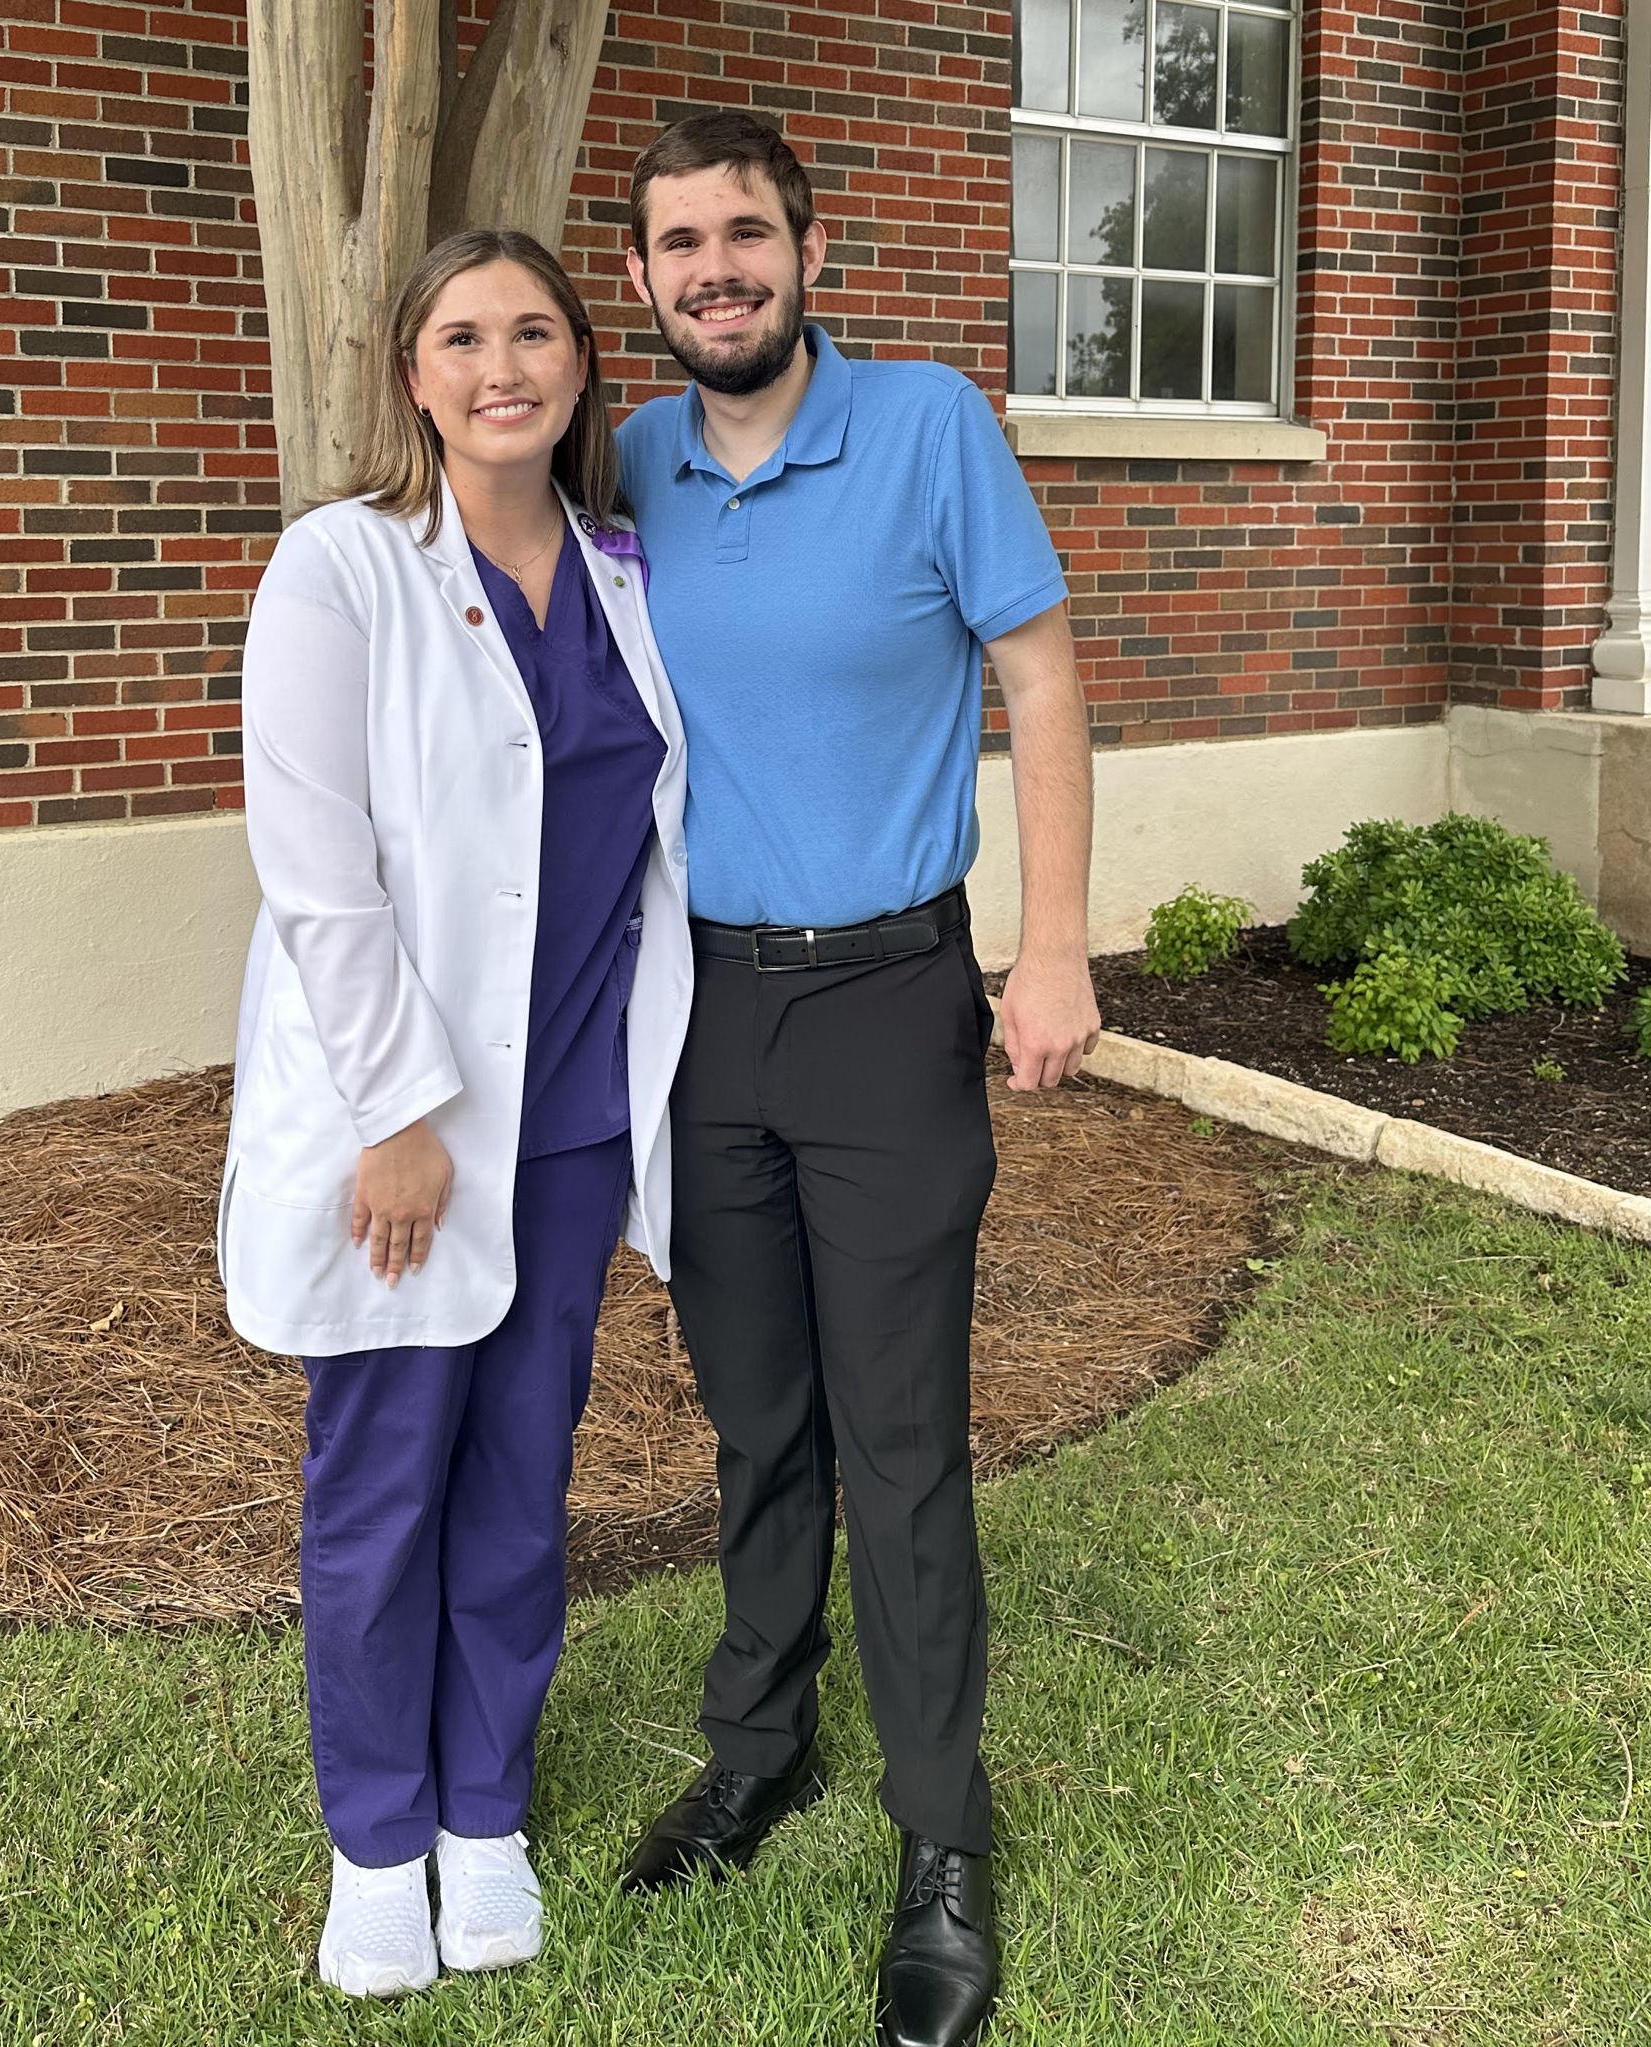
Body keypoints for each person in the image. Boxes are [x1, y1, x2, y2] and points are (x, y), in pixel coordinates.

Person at [610, 111, 1101, 2047]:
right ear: (641, 278)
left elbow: (1041, 677)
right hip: (701, 1010)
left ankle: (941, 1837)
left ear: (806, 247)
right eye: (678, 244)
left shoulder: (926, 425)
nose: (714, 270)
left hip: (893, 995)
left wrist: (1050, 946)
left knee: (898, 1440)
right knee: (758, 1421)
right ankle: (759, 1750)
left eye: (743, 232)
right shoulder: (627, 461)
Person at [216, 228, 692, 1999]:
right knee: (382, 1485)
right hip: (405, 1124)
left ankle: (484, 1814)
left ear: (580, 365)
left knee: (518, 1484)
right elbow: (313, 863)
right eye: (465, 338)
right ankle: (376, 1844)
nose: (505, 367)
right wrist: (401, 1108)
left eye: (537, 333)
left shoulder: (625, 571)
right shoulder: (343, 564)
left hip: (570, 1120)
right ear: (413, 376)